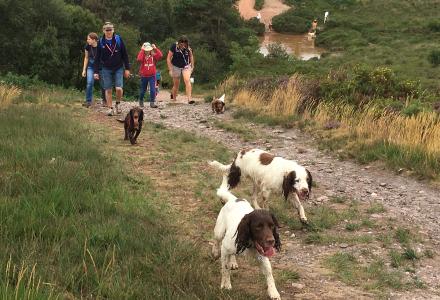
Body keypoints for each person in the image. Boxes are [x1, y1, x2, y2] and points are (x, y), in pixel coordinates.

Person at [94, 22, 131, 116]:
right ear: (104, 31)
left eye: (110, 29)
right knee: (108, 89)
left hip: (118, 67)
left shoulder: (118, 39)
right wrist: (96, 72)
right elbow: (97, 58)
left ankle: (118, 103)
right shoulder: (101, 41)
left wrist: (127, 68)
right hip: (106, 68)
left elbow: (125, 54)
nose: (109, 31)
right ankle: (110, 108)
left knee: (119, 88)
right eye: (107, 30)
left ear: (113, 30)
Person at [167, 36, 195, 104]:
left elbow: (191, 56)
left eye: (184, 44)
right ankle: (174, 97)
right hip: (176, 66)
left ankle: (189, 98)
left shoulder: (188, 48)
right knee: (176, 84)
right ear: (179, 43)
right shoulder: (174, 46)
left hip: (186, 66)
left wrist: (192, 66)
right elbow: (168, 58)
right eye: (181, 44)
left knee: (187, 80)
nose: (183, 45)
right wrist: (170, 69)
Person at [81, 32, 105, 107]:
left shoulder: (101, 46)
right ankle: (88, 101)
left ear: (94, 40)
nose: (87, 40)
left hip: (101, 67)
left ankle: (105, 100)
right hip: (91, 67)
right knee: (89, 83)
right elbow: (86, 57)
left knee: (103, 84)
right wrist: (84, 70)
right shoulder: (88, 46)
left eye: (89, 39)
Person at [137, 42, 163, 108]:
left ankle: (152, 103)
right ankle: (141, 101)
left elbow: (160, 55)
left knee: (153, 89)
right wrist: (142, 50)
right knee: (143, 89)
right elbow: (139, 59)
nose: (147, 51)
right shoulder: (142, 56)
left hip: (152, 76)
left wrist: (155, 48)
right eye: (146, 50)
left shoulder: (153, 56)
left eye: (149, 50)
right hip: (144, 76)